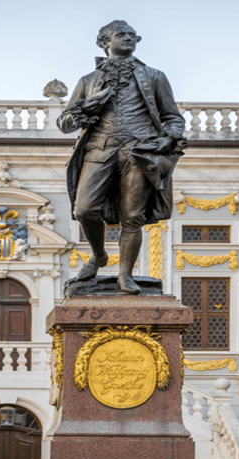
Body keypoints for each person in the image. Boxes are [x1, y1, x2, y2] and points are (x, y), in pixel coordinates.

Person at [58, 20, 186, 294]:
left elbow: (173, 117)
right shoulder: (87, 81)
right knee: (84, 209)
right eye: (121, 35)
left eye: (132, 35)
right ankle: (99, 255)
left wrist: (167, 139)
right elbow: (65, 123)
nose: (128, 39)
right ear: (105, 41)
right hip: (99, 149)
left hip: (139, 152)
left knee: (133, 217)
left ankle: (125, 275)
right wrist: (82, 108)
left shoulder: (154, 76)